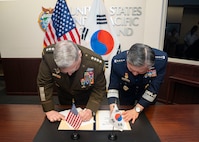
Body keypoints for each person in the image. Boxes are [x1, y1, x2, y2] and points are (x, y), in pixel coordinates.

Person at [37, 40, 106, 122]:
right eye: (64, 71)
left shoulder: (94, 64)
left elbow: (99, 89)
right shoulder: (49, 57)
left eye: (74, 68)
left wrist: (90, 109)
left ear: (79, 55)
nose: (69, 74)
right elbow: (44, 84)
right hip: (63, 94)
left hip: (86, 96)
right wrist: (49, 109)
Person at [107, 43, 167, 124]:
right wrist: (113, 106)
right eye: (131, 69)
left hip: (146, 91)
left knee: (146, 121)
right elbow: (113, 86)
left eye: (140, 71)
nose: (135, 74)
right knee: (126, 118)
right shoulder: (117, 61)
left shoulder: (160, 61)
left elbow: (154, 87)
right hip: (126, 90)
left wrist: (137, 109)